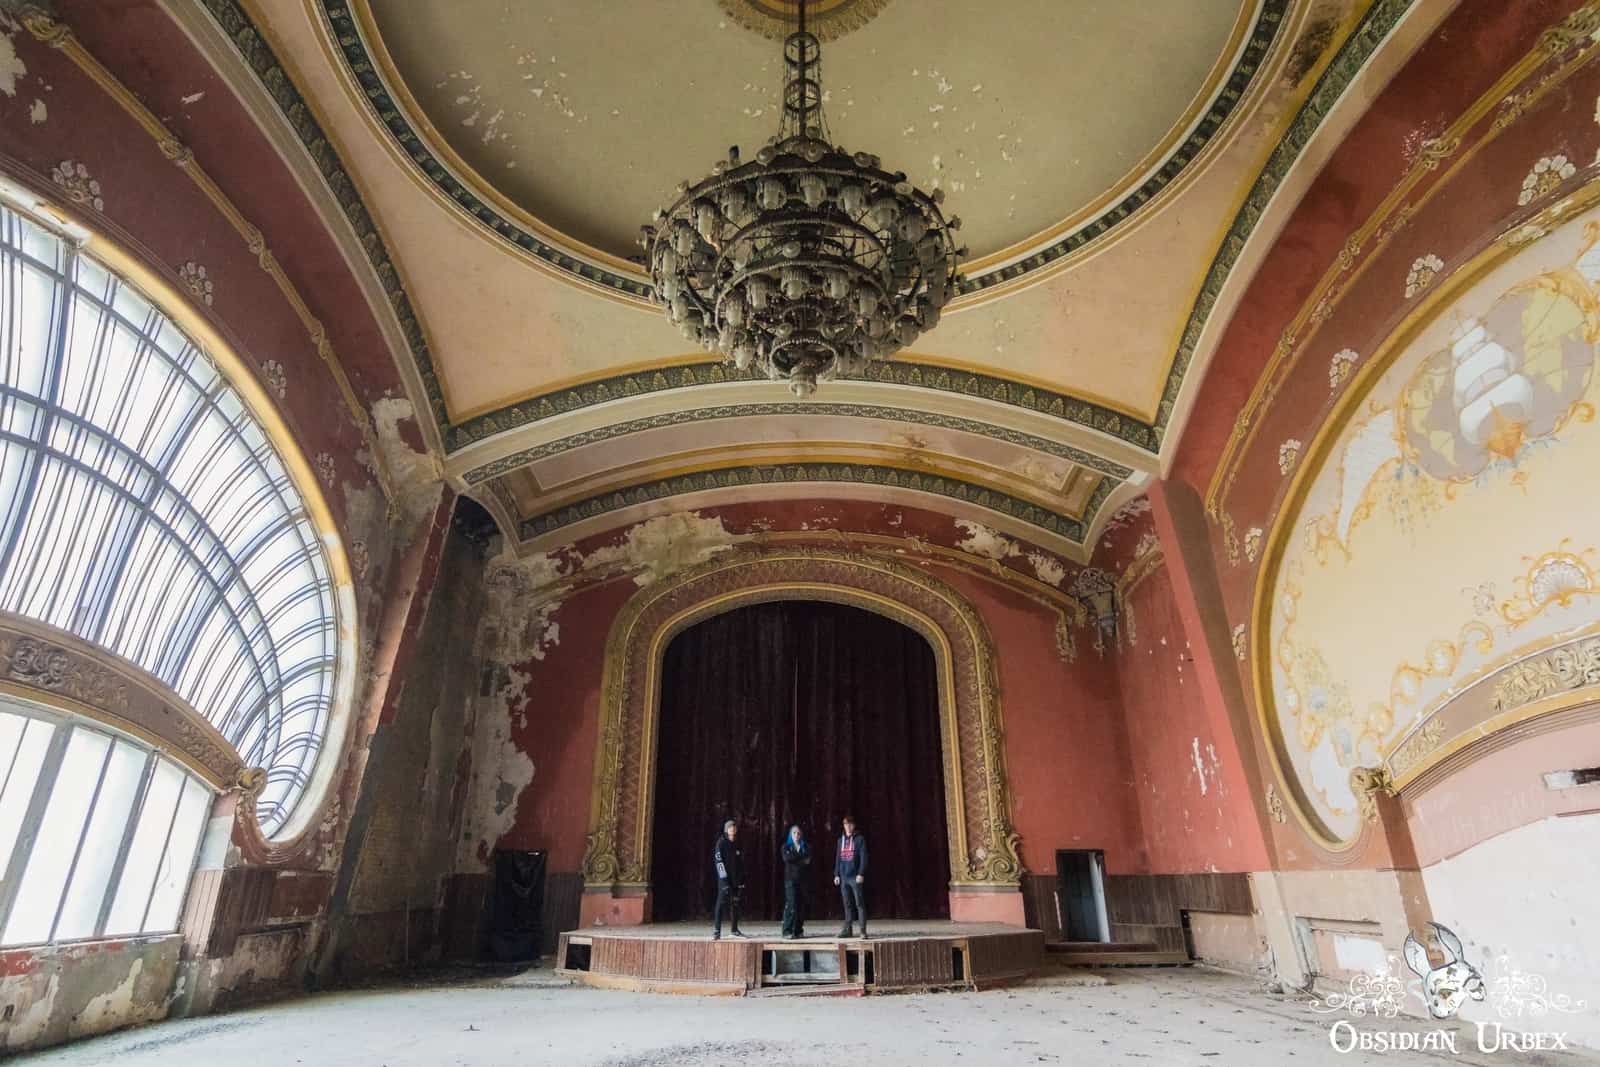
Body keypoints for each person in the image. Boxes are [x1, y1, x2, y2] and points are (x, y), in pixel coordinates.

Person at [833, 814, 869, 939]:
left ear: (853, 825)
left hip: (855, 877)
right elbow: (838, 859)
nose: (847, 826)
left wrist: (861, 873)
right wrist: (836, 874)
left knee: (859, 903)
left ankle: (863, 931)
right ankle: (848, 930)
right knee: (847, 904)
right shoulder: (840, 840)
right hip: (843, 877)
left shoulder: (859, 839)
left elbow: (864, 858)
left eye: (850, 824)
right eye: (845, 824)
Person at [711, 819, 747, 940]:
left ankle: (734, 930)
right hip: (724, 880)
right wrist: (724, 881)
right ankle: (717, 931)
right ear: (726, 829)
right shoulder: (721, 843)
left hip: (736, 880)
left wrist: (742, 880)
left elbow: (741, 863)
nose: (733, 829)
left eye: (734, 827)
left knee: (735, 904)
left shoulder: (737, 843)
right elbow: (719, 862)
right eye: (730, 827)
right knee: (720, 904)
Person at [780, 825, 811, 940]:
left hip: (802, 880)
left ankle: (798, 930)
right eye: (794, 833)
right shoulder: (786, 846)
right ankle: (787, 931)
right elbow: (787, 859)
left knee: (800, 905)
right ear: (791, 835)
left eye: (798, 833)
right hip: (790, 880)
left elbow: (808, 861)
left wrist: (796, 858)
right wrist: (801, 858)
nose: (796, 835)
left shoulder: (805, 846)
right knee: (791, 905)